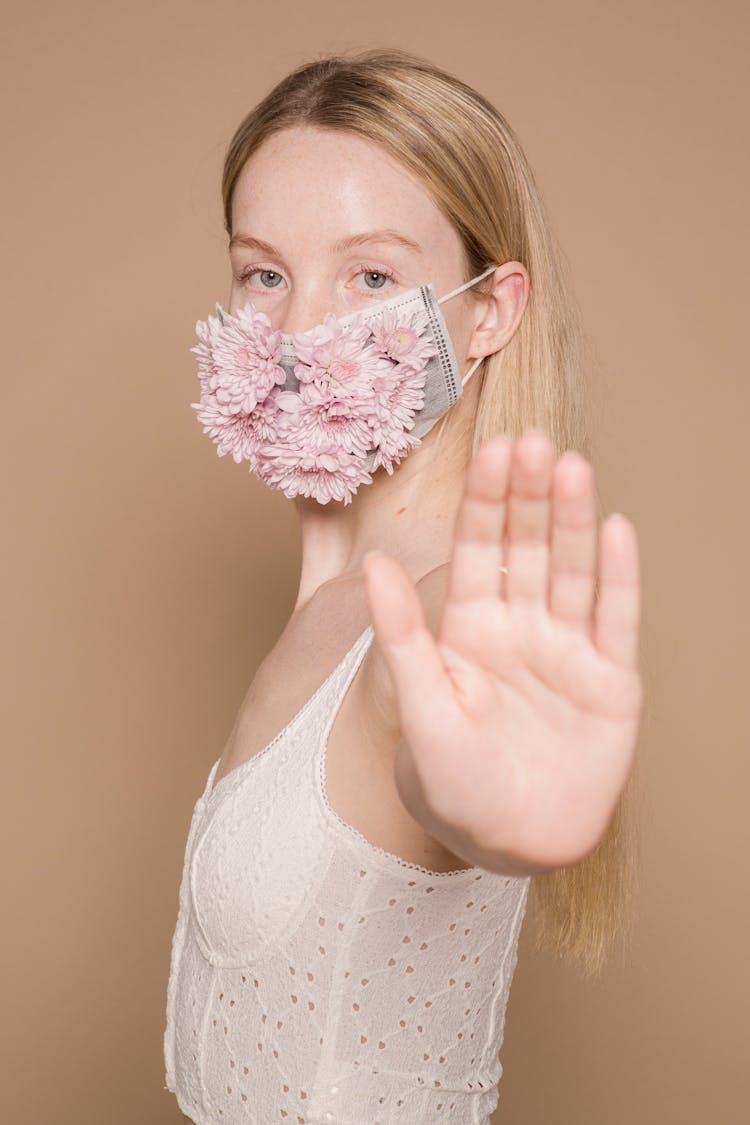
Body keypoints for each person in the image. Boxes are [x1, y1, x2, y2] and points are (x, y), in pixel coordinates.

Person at [163, 48, 643, 1125]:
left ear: (489, 311)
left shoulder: (441, 618)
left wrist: (500, 815)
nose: (296, 334)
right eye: (264, 273)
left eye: (370, 275)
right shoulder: (332, 602)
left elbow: (450, 762)